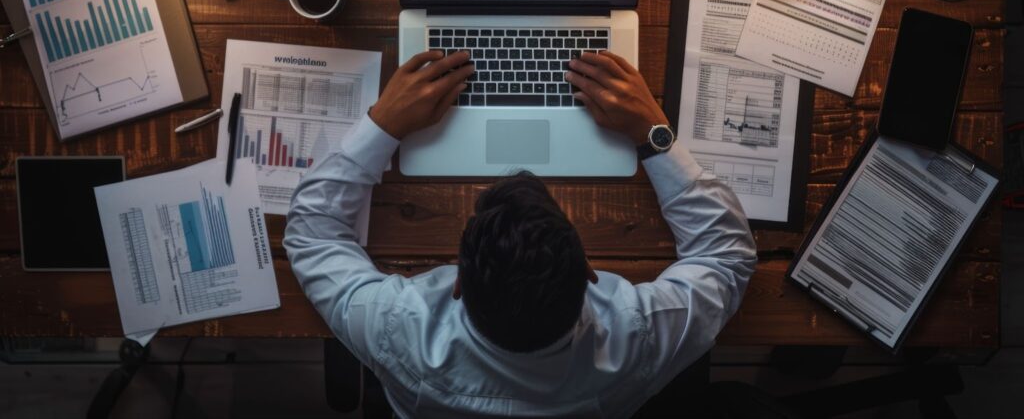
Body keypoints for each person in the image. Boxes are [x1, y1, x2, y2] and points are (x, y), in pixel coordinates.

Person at [285, 50, 757, 418]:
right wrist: (653, 131)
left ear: (458, 283)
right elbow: (726, 259)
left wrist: (383, 125)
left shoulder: (397, 330)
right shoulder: (635, 340)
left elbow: (312, 237)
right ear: (589, 272)